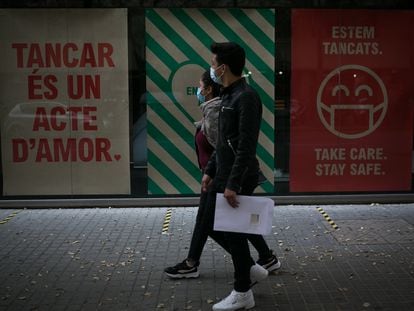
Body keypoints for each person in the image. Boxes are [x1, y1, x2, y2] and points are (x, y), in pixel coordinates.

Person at [164, 70, 280, 283]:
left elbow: (231, 146)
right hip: (216, 175)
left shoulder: (222, 107)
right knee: (223, 221)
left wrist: (229, 181)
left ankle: (245, 268)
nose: (197, 90)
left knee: (217, 223)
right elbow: (221, 145)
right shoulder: (212, 108)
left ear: (208, 89)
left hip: (225, 176)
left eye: (200, 86)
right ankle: (263, 259)